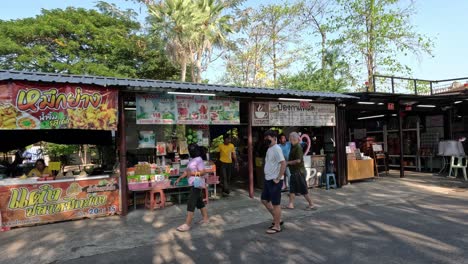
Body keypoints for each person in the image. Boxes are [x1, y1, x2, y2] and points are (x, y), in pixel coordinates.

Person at [175, 144, 209, 232]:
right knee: (199, 202)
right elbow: (187, 171)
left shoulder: (199, 159)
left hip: (197, 183)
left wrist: (193, 174)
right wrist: (180, 178)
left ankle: (187, 224)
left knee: (191, 202)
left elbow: (203, 172)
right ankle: (205, 218)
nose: (190, 152)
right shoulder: (191, 160)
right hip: (193, 183)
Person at [261, 130, 286, 234]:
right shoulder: (270, 149)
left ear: (273, 138)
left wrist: (278, 177)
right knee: (264, 200)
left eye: (268, 138)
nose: (266, 140)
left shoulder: (276, 149)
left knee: (276, 204)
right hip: (268, 179)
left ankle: (277, 226)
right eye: (265, 138)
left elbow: (283, 163)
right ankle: (277, 219)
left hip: (274, 181)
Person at [283, 132, 317, 210]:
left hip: (298, 172)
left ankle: (311, 204)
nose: (289, 140)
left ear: (294, 139)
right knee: (292, 189)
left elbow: (298, 160)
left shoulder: (298, 147)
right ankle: (290, 204)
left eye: (290, 139)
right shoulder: (293, 146)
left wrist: (288, 163)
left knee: (303, 189)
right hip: (294, 172)